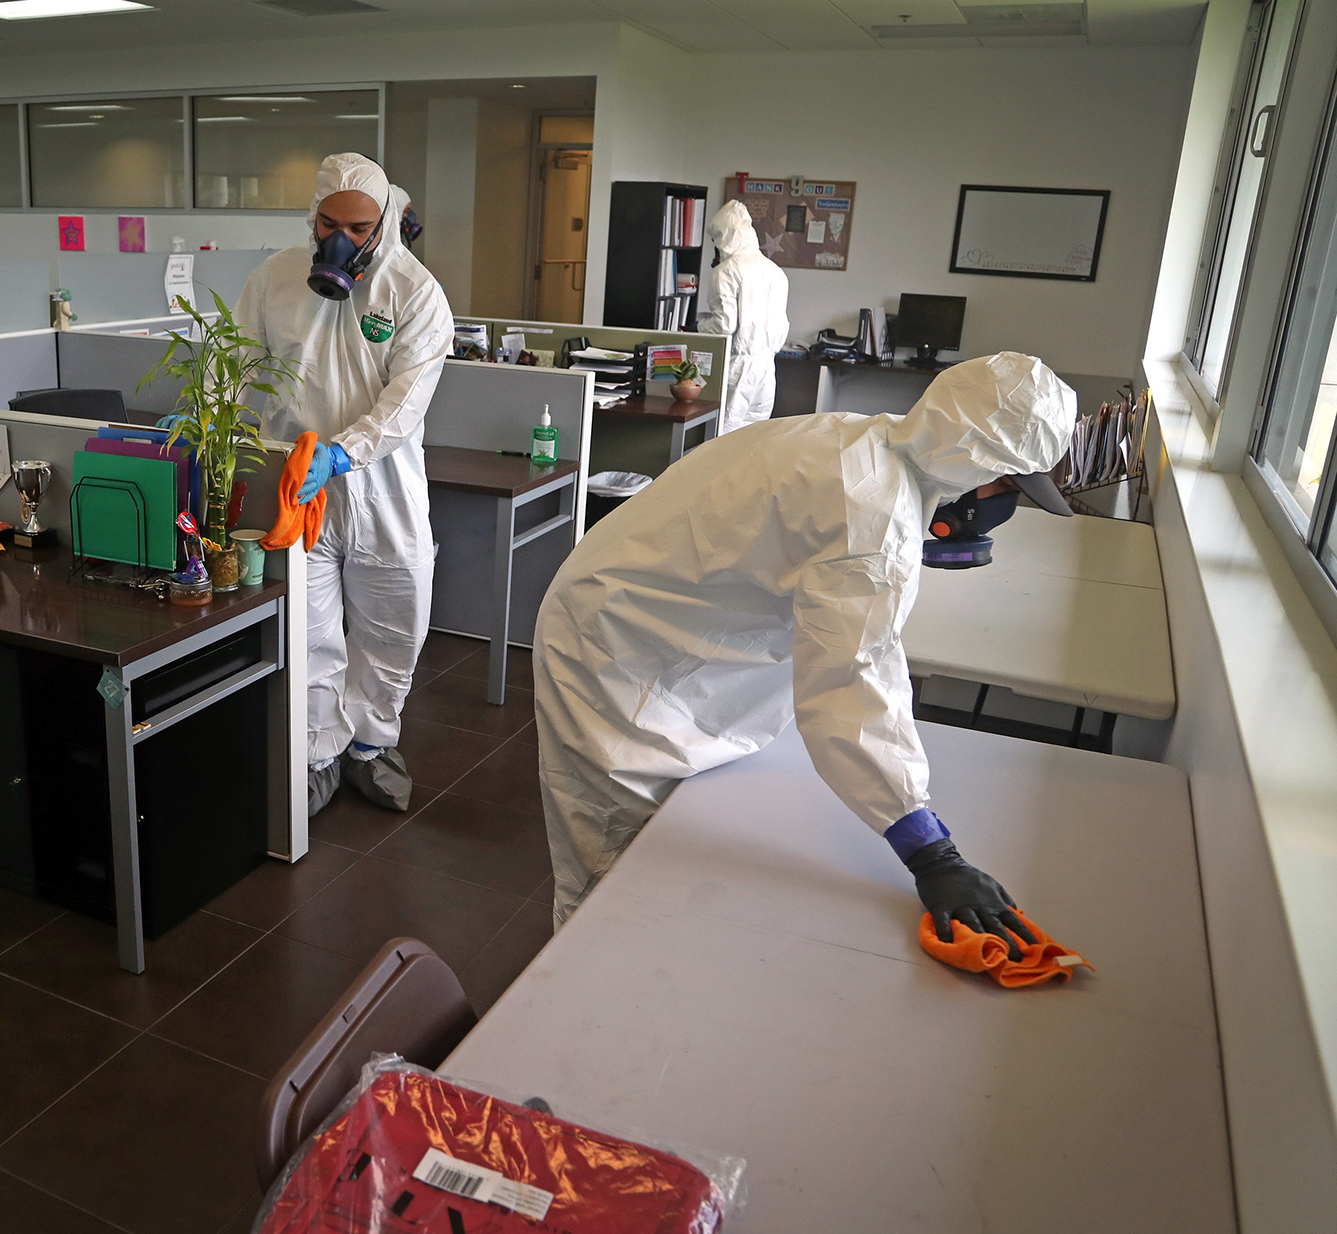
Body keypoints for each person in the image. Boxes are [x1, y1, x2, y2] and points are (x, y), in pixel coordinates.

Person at [533, 352, 1076, 943]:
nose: (1003, 504)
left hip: (663, 621)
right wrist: (931, 852)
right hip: (615, 647)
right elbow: (849, 684)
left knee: (670, 850)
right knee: (615, 861)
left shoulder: (862, 437)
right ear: (973, 463)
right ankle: (574, 987)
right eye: (1009, 485)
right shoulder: (872, 519)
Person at [237, 156, 455, 815]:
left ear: (384, 221)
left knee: (397, 625)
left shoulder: (412, 292)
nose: (341, 239)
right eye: (328, 223)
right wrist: (211, 422)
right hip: (297, 487)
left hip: (382, 488)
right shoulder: (274, 279)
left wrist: (345, 452)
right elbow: (242, 367)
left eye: (358, 227)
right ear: (313, 217)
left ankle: (372, 743)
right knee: (308, 633)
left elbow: (405, 401)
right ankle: (317, 753)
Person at [698, 199, 790, 435]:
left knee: (722, 440)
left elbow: (724, 325)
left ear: (722, 237)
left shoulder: (726, 271)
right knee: (754, 441)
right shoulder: (775, 271)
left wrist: (698, 327)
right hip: (767, 369)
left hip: (737, 368)